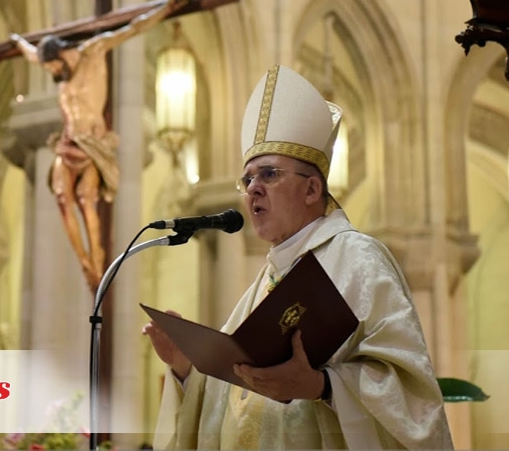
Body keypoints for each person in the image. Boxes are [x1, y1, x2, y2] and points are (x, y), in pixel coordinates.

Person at [143, 65, 453, 449]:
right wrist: (185, 367)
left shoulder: (358, 260)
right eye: (247, 179)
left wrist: (322, 386)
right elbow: (232, 399)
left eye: (269, 174)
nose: (253, 189)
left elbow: (410, 396)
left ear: (312, 190)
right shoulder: (268, 279)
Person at [11, 0, 189, 288]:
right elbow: (30, 53)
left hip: (92, 146)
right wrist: (17, 41)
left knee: (86, 200)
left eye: (53, 66)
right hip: (68, 142)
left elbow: (133, 28)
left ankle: (97, 256)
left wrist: (166, 9)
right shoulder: (57, 68)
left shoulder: (93, 52)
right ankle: (84, 261)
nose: (53, 72)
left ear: (59, 55)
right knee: (62, 197)